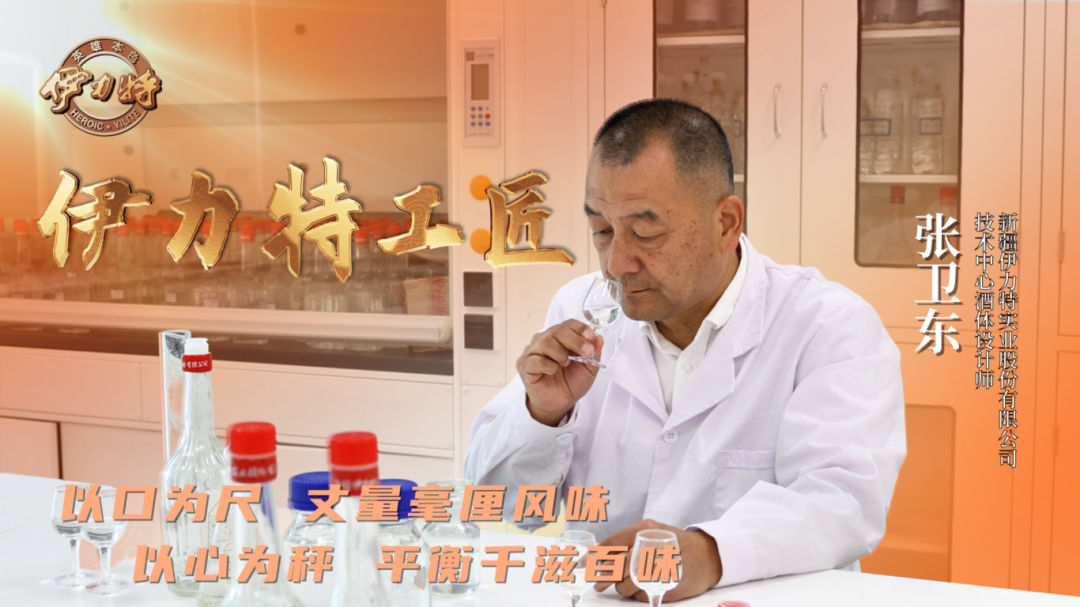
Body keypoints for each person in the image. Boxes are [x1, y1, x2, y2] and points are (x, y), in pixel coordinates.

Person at [464, 99, 906, 601]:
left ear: (726, 223)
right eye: (602, 231)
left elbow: (842, 503)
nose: (616, 263)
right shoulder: (582, 311)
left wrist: (710, 551)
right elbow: (506, 505)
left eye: (645, 233)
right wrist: (543, 415)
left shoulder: (826, 325)